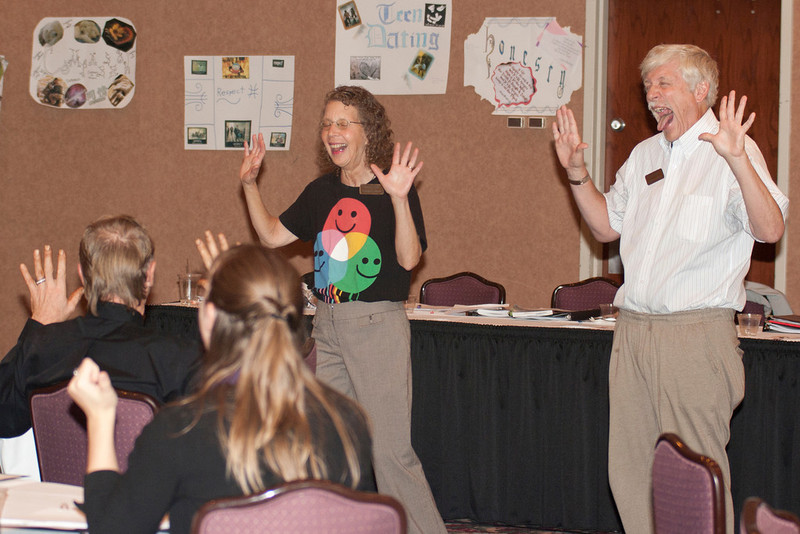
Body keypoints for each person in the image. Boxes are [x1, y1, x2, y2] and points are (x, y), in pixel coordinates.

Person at [551, 44, 788, 534]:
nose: (651, 95)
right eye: (647, 88)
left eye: (663, 84)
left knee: (695, 478)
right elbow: (605, 227)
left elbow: (770, 230)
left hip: (695, 337)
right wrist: (576, 174)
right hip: (634, 333)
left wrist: (738, 160)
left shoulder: (732, 151)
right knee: (631, 474)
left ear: (701, 90)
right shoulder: (644, 156)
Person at [236, 85, 446, 534]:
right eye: (327, 123)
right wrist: (250, 184)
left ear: (367, 131)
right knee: (327, 445)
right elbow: (273, 236)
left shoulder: (393, 184)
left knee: (389, 453)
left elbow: (409, 260)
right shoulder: (320, 191)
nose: (332, 131)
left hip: (377, 327)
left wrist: (399, 198)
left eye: (342, 122)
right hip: (327, 326)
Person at [69, 243, 375, 534]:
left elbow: (113, 529)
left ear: (210, 317)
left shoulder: (182, 428)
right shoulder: (348, 423)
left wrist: (100, 418)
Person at [0, 215, 201, 440]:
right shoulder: (178, 357)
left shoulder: (40, 347)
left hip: (55, 477)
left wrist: (38, 324)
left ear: (83, 277)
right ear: (149, 275)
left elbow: (5, 420)